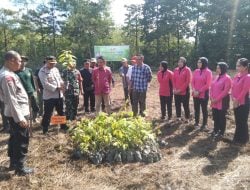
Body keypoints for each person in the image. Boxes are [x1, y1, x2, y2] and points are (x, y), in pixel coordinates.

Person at [0, 50, 33, 175]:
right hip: (17, 113)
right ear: (11, 61)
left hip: (14, 112)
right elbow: (11, 99)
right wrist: (20, 118)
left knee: (14, 138)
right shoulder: (6, 76)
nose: (21, 63)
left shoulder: (8, 73)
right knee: (21, 140)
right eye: (19, 61)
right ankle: (20, 168)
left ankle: (14, 163)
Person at [38, 56, 68, 134]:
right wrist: (56, 88)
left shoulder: (55, 69)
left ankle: (63, 126)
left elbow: (59, 79)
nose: (52, 65)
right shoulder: (42, 71)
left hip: (59, 95)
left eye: (54, 63)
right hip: (49, 96)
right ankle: (45, 129)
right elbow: (45, 84)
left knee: (61, 111)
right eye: (50, 63)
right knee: (48, 113)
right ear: (46, 62)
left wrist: (62, 85)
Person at [210, 62, 231, 140]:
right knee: (215, 116)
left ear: (223, 69)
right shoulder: (216, 77)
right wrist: (211, 97)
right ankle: (215, 129)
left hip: (222, 101)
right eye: (217, 67)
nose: (217, 69)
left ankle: (221, 132)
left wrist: (216, 99)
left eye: (218, 68)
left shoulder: (227, 78)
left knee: (221, 117)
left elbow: (225, 91)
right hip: (214, 101)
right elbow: (211, 88)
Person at [231, 58, 250, 145]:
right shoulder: (237, 76)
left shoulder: (247, 77)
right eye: (237, 65)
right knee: (238, 121)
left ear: (245, 67)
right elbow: (233, 87)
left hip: (243, 102)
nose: (237, 67)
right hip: (235, 101)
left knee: (242, 121)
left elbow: (245, 90)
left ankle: (243, 140)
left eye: (239, 66)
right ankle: (237, 138)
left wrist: (237, 100)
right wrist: (233, 99)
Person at [15, 56, 39, 122]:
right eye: (21, 61)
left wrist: (34, 89)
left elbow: (32, 80)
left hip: (31, 91)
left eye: (24, 61)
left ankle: (34, 118)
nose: (23, 62)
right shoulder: (16, 72)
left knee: (35, 107)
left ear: (26, 62)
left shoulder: (29, 70)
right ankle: (25, 119)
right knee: (25, 108)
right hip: (22, 93)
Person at [192, 57, 212, 130]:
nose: (198, 64)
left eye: (200, 62)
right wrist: (194, 90)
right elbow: (192, 81)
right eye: (198, 62)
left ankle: (204, 124)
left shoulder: (208, 72)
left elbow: (208, 84)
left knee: (204, 109)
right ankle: (196, 122)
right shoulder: (196, 71)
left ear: (204, 63)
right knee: (196, 109)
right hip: (195, 94)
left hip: (203, 94)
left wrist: (199, 91)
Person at [173, 57, 191, 121]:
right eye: (179, 62)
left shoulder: (187, 70)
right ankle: (178, 117)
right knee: (177, 105)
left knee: (185, 105)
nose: (179, 63)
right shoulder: (175, 70)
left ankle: (187, 118)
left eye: (181, 62)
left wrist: (180, 90)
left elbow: (187, 81)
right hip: (176, 91)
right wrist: (175, 89)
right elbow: (173, 80)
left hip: (184, 92)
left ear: (184, 63)